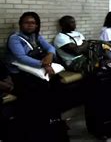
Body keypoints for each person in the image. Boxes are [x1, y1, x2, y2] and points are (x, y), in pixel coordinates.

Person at [6, 12, 68, 141]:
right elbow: (21, 58)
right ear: (20, 24)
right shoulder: (15, 38)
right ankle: (39, 125)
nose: (30, 25)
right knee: (40, 89)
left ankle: (53, 119)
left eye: (33, 23)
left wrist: (50, 56)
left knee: (57, 82)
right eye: (26, 23)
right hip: (19, 73)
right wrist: (43, 64)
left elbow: (50, 47)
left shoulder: (36, 37)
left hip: (36, 70)